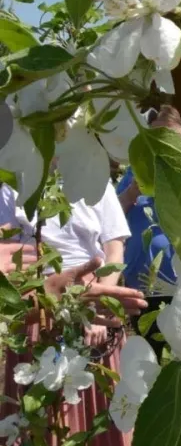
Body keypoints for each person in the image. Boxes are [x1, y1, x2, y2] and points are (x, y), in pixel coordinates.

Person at [1, 179, 135, 446]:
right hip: (38, 306)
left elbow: (114, 250)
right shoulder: (12, 183)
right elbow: (6, 250)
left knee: (102, 401)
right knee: (41, 412)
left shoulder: (95, 179)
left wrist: (99, 308)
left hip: (94, 298)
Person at [116, 105, 181, 357]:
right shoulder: (134, 173)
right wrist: (132, 192)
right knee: (150, 363)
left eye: (168, 139)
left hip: (180, 289)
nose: (158, 147)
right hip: (141, 292)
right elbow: (111, 218)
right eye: (154, 138)